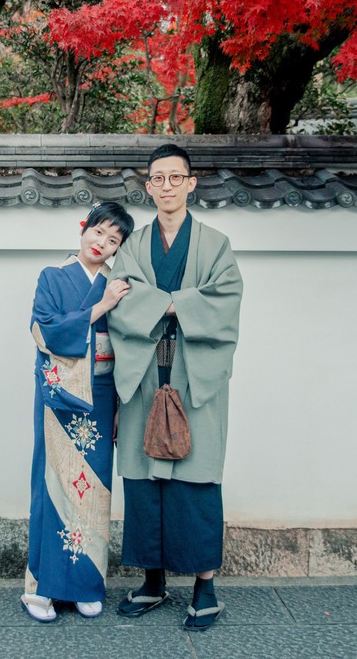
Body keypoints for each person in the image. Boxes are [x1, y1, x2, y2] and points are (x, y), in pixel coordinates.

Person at [108, 143, 243, 631]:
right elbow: (119, 299)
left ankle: (205, 588)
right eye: (157, 179)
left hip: (194, 378)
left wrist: (165, 304)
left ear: (191, 183)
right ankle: (152, 582)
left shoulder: (215, 245)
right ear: (148, 187)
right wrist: (180, 303)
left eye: (175, 177)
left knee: (197, 481)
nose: (166, 186)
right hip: (145, 374)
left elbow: (224, 299)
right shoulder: (133, 246)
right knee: (144, 483)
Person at [22, 202, 135, 622]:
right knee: (52, 489)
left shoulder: (115, 284)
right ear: (83, 228)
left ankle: (88, 584)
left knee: (94, 492)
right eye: (98, 232)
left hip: (102, 399)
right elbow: (44, 330)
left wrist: (124, 403)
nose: (101, 244)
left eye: (113, 241)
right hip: (60, 398)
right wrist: (100, 307)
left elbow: (123, 348)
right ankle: (41, 589)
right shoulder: (52, 277)